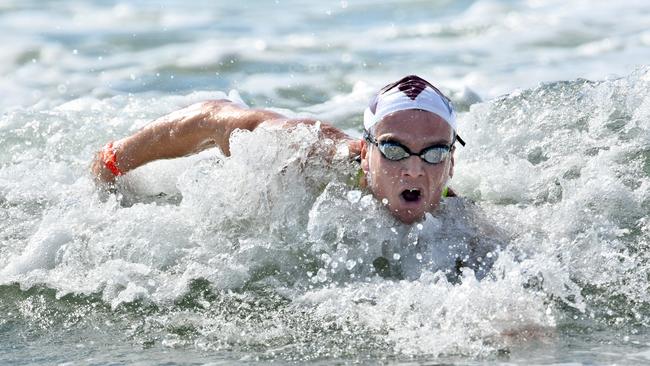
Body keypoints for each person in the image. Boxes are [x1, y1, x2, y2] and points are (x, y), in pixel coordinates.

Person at [92, 75, 464, 225]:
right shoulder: (306, 151)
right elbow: (211, 119)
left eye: (433, 153)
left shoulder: (460, 219)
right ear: (365, 153)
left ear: (450, 165)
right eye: (395, 150)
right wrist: (114, 160)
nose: (415, 169)